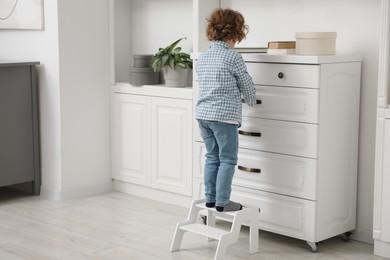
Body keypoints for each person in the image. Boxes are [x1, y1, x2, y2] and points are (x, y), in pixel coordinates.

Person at [195, 8, 257, 212]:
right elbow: (246, 83)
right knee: (228, 159)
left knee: (212, 157)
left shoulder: (203, 58)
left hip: (203, 115)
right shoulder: (233, 57)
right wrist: (252, 101)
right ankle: (223, 202)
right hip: (224, 118)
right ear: (235, 33)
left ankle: (210, 199)